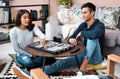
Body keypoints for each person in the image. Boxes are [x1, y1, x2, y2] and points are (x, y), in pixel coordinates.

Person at [12, 2, 105, 78]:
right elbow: (71, 37)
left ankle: (83, 67)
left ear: (92, 13)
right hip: (85, 53)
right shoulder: (83, 25)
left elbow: (95, 34)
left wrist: (82, 33)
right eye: (82, 12)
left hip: (96, 57)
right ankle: (34, 73)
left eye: (85, 13)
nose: (82, 15)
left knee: (93, 38)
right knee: (62, 62)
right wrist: (72, 39)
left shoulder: (99, 25)